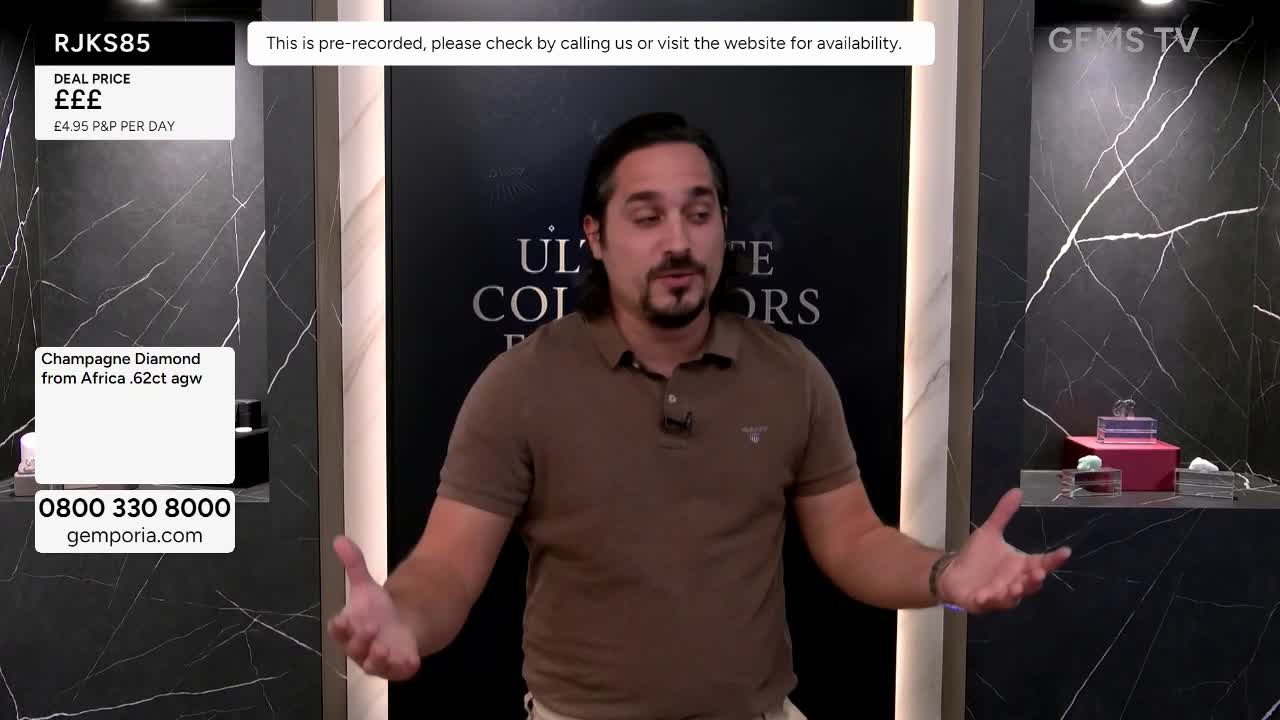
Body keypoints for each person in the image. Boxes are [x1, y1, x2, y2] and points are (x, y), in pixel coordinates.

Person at [327, 112, 1071, 720]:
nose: (677, 240)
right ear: (595, 235)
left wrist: (944, 574)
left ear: (723, 225)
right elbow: (448, 569)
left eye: (697, 212)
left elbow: (852, 541)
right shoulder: (521, 384)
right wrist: (403, 618)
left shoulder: (790, 374)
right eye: (646, 217)